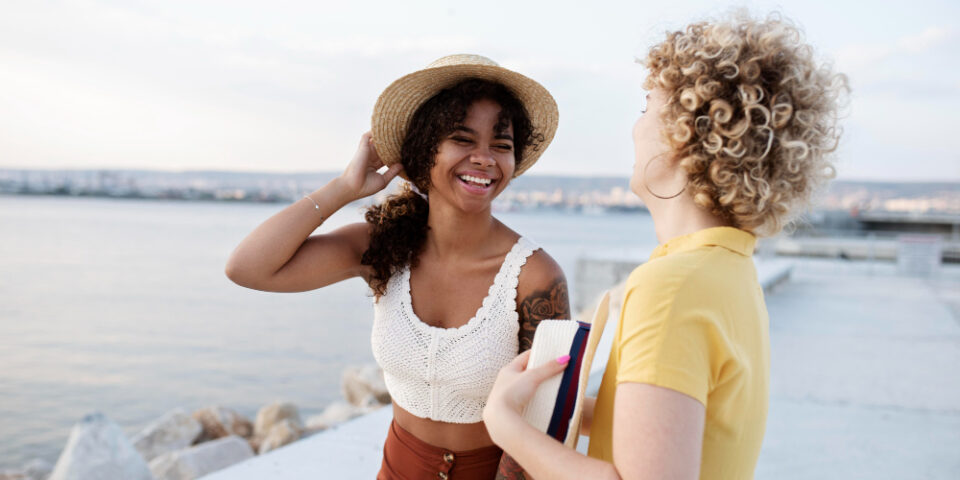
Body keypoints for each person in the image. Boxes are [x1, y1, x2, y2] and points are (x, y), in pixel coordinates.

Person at [483, 13, 847, 480]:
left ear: (685, 134)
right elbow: (675, 429)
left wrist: (505, 424)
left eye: (646, 107)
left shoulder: (670, 289)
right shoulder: (728, 271)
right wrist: (557, 406)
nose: (634, 129)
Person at [225, 54, 570, 480]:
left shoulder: (535, 277)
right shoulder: (384, 245)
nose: (484, 158)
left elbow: (547, 417)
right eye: (463, 139)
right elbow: (248, 268)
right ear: (425, 150)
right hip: (396, 467)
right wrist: (343, 188)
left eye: (501, 146)